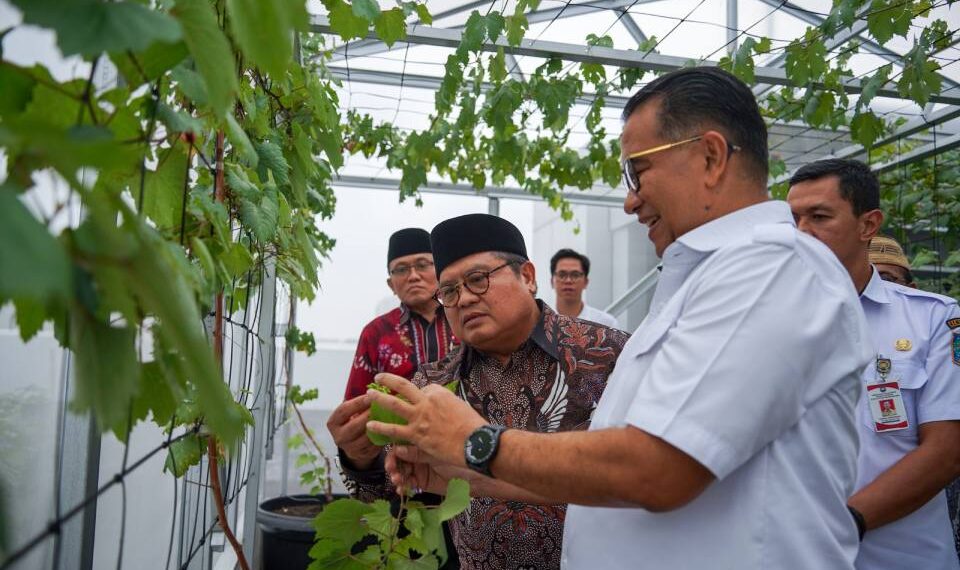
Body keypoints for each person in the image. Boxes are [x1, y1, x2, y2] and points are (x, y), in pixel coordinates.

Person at [367, 67, 872, 569]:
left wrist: (474, 441)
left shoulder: (771, 268)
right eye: (450, 290)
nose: (630, 201)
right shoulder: (707, 282)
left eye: (638, 171)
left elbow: (656, 468)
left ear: (711, 157)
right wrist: (460, 473)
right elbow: (607, 477)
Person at [352, 213, 628, 569]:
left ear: (527, 277)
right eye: (449, 291)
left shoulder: (607, 354)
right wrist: (358, 459)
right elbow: (396, 495)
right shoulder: (433, 387)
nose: (464, 299)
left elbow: (651, 473)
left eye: (478, 279)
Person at [787, 158, 960, 570]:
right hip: (791, 553)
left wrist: (845, 522)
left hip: (900, 557)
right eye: (794, 219)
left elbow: (947, 449)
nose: (802, 232)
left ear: (868, 224)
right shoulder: (770, 315)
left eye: (819, 216)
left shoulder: (935, 319)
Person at [326, 228, 459, 567]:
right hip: (399, 479)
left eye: (422, 265)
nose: (413, 275)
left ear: (439, 270)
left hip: (464, 472)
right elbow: (355, 409)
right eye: (401, 269)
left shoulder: (465, 320)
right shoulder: (376, 333)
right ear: (391, 284)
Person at [549, 248, 620, 328]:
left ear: (586, 282)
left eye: (575, 275)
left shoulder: (606, 324)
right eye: (562, 275)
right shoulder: (541, 321)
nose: (568, 280)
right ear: (552, 281)